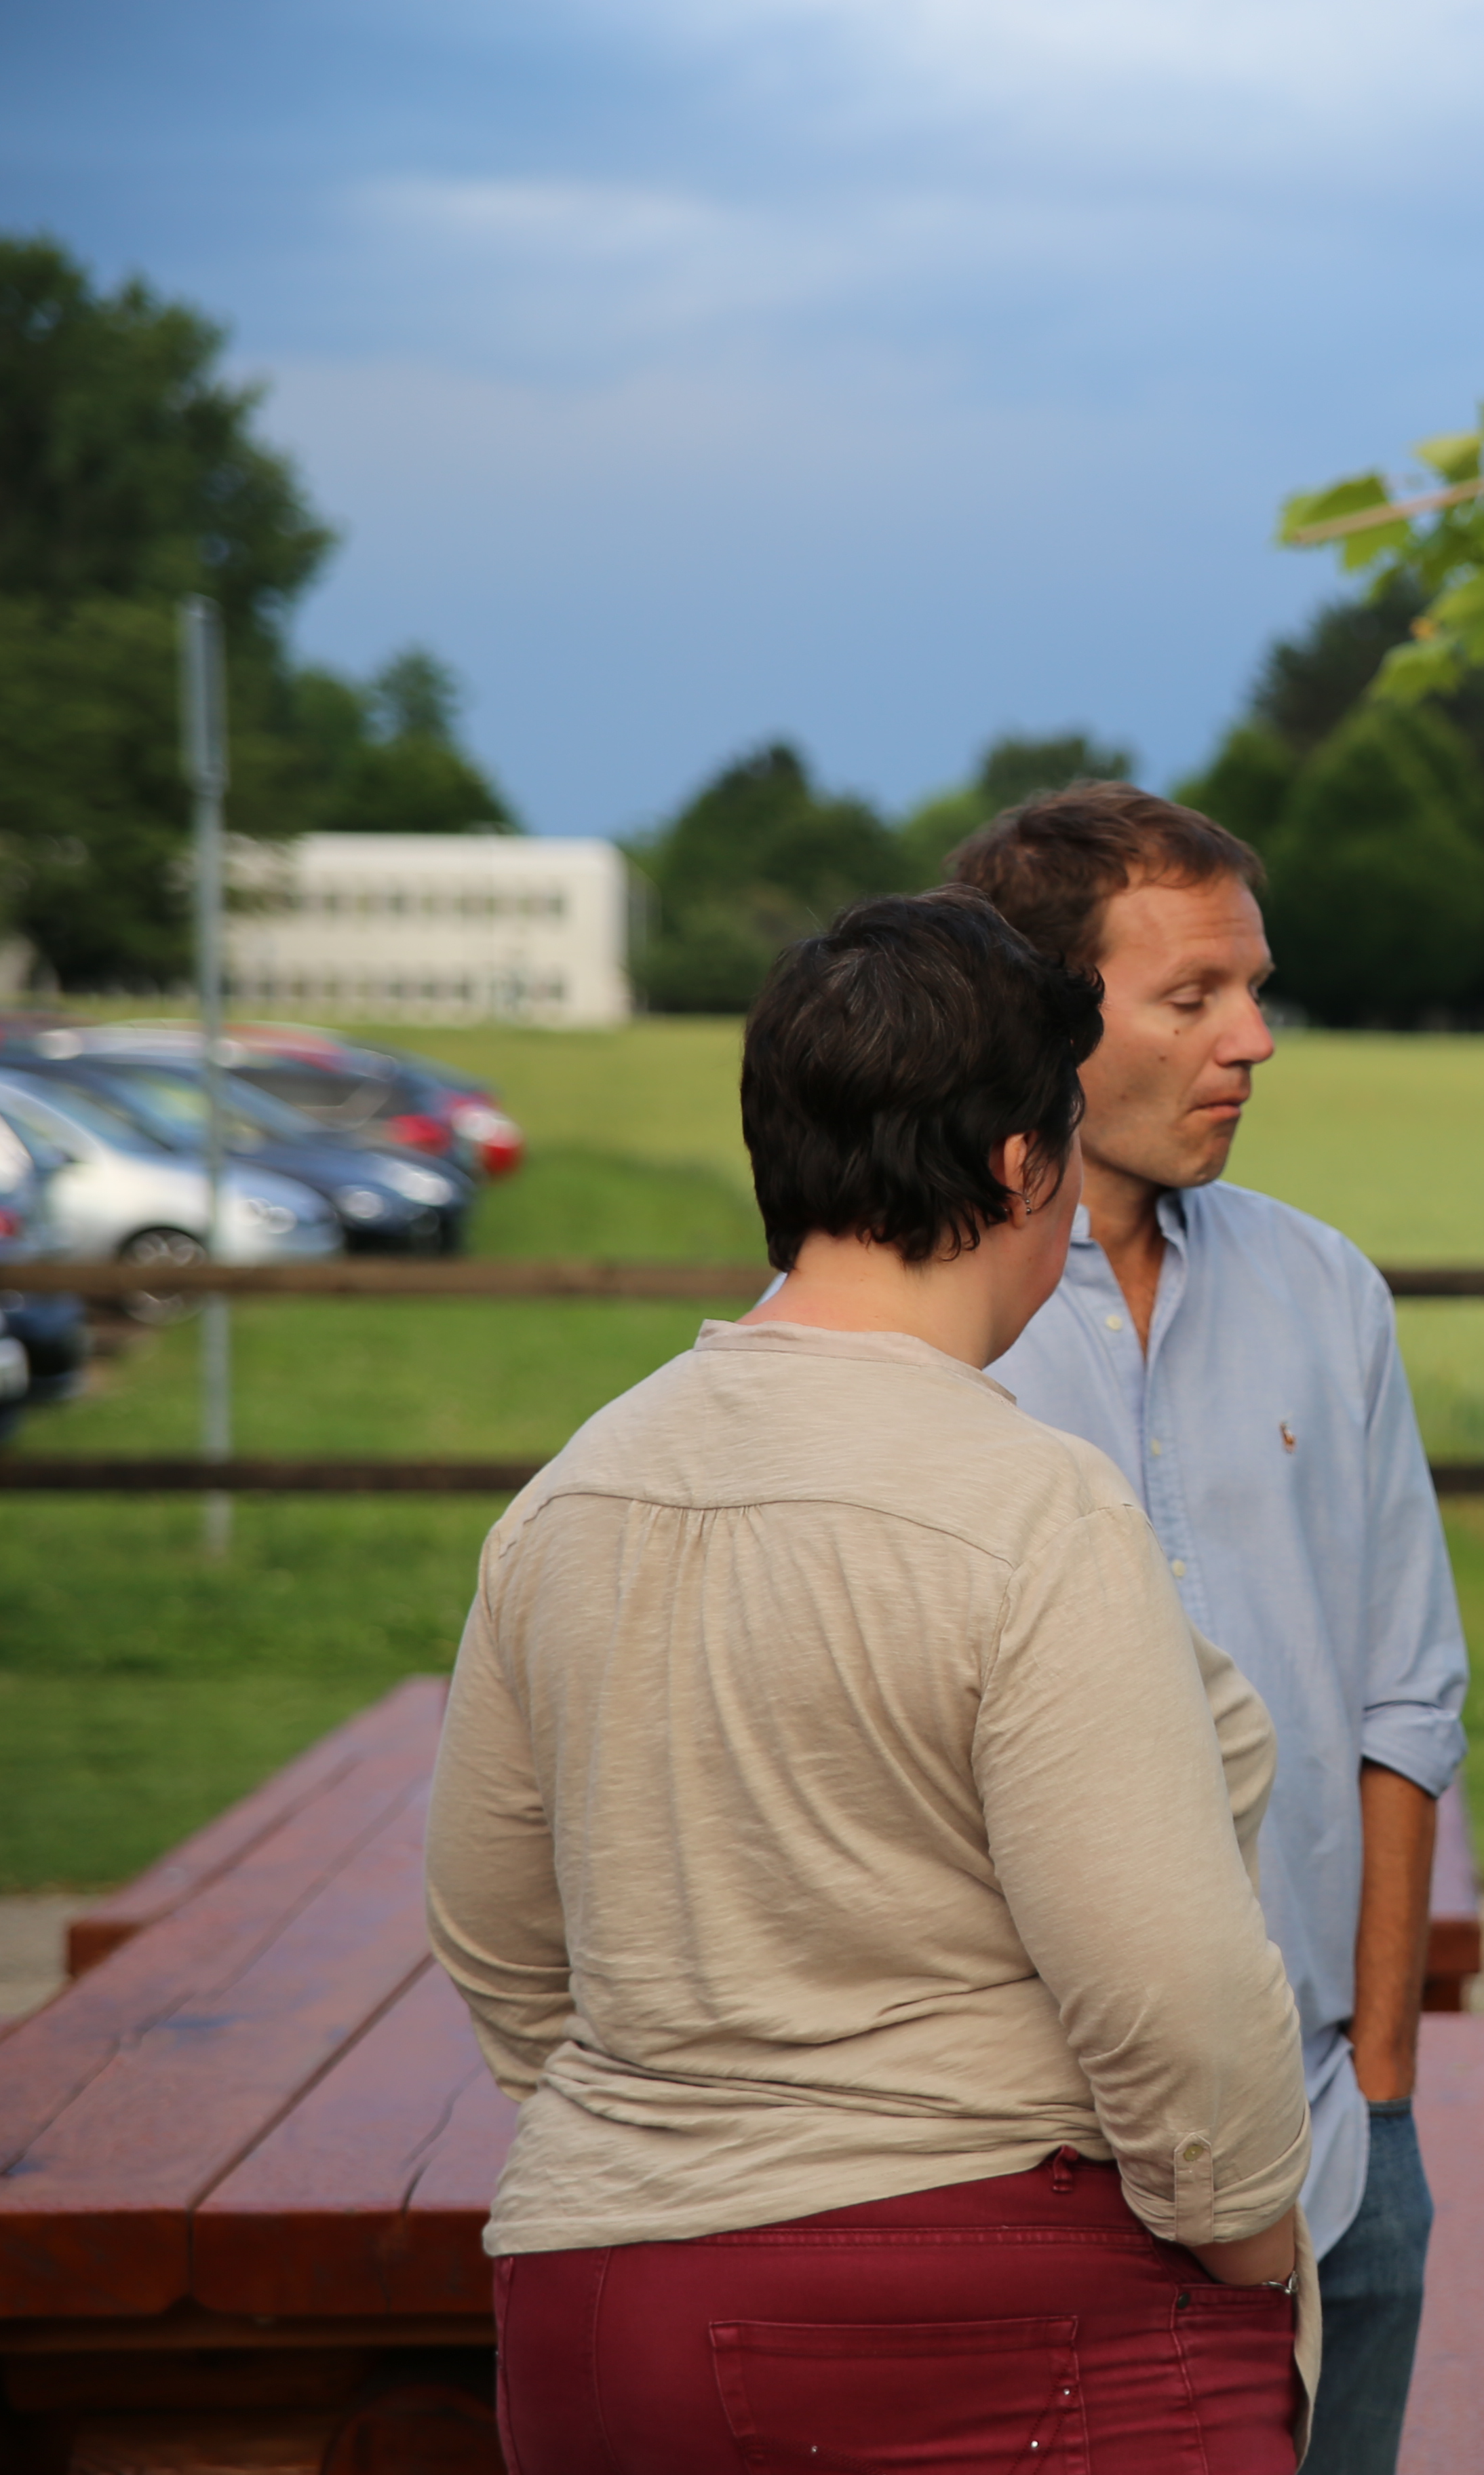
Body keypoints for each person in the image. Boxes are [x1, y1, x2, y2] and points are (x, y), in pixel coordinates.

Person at [427, 891, 1316, 2474]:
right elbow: (1167, 1987)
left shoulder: (575, 1493)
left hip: (595, 2308)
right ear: (1022, 1166)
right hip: (981, 2315)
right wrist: (1252, 2240)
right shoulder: (1032, 1512)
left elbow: (496, 1932)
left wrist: (681, 2138)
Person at [947, 782, 1471, 2475]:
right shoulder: (921, 1330)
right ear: (1043, 1017)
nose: (1254, 1039)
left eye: (1255, 988)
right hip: (1029, 2160)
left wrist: (1382, 2095)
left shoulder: (1328, 1291)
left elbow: (1408, 1700)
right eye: (1193, 997)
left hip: (1332, 2152)